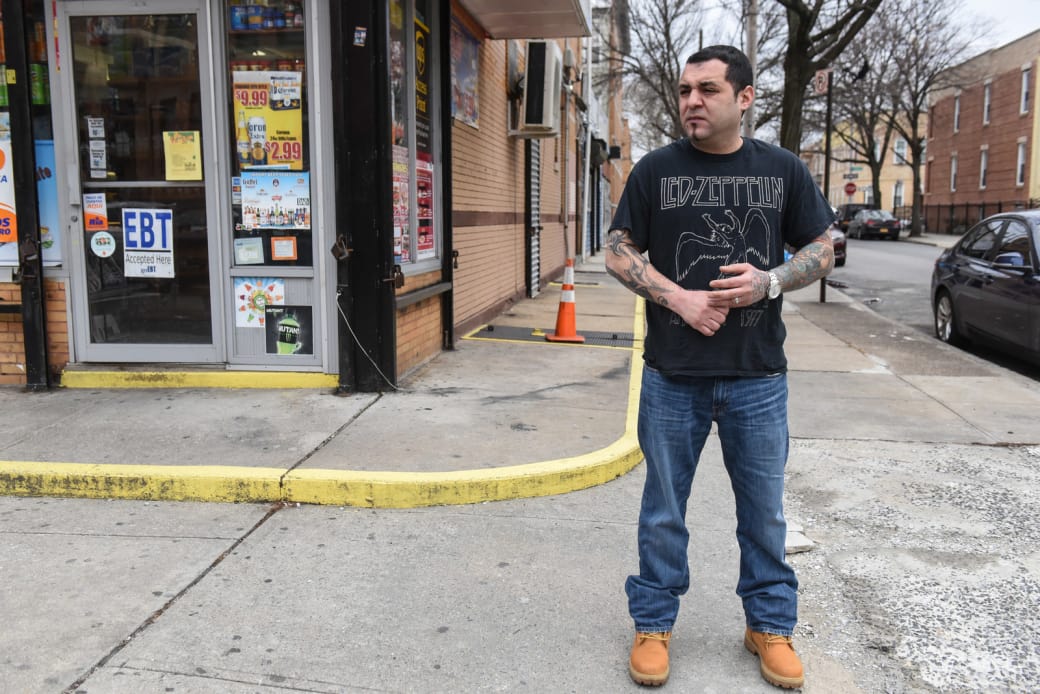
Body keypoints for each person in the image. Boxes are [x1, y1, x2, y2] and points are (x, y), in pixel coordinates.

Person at [604, 45, 834, 689]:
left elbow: (821, 248)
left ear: (745, 98)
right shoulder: (655, 171)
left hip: (757, 375)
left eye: (706, 89)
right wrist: (677, 296)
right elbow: (618, 252)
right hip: (673, 373)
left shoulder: (783, 170)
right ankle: (653, 623)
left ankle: (769, 625)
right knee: (663, 509)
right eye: (684, 91)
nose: (691, 102)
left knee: (763, 512)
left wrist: (770, 282)